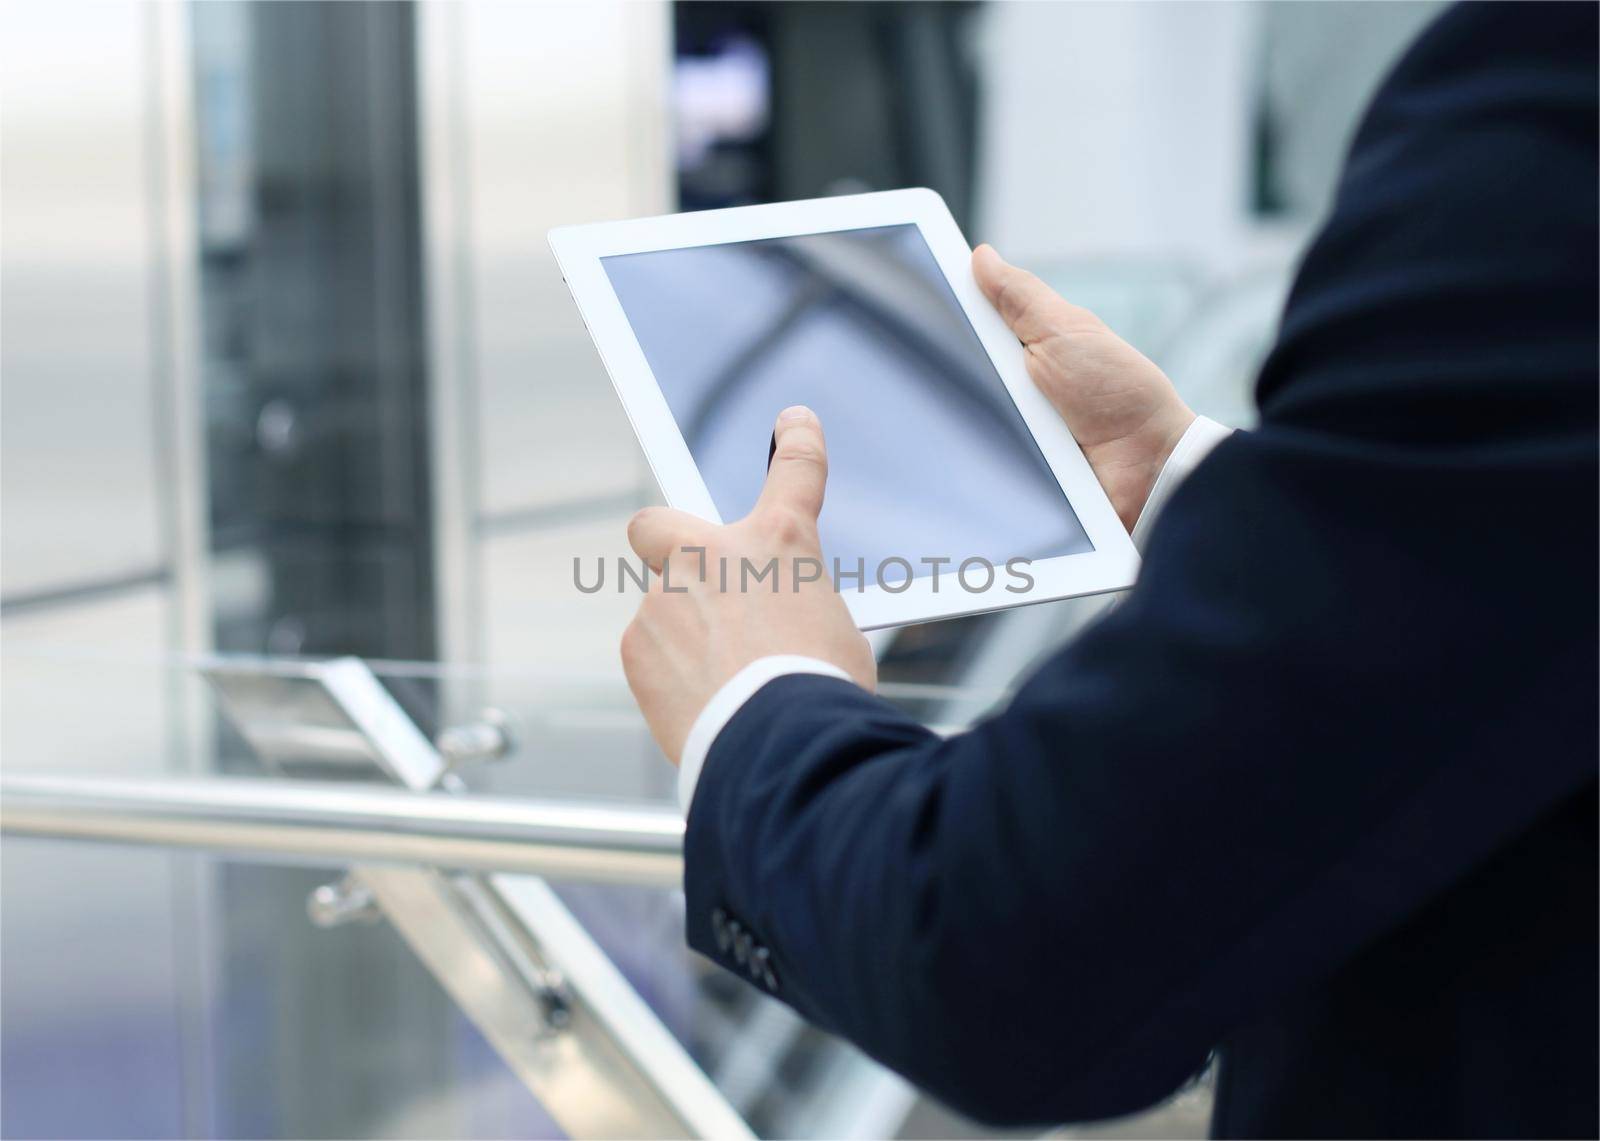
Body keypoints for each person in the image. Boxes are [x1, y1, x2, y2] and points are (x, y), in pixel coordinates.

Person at [619, 4, 1598, 1136]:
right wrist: (1192, 480)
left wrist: (756, 702)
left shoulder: (1553, 86)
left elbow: (1001, 959)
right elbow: (1511, 548)